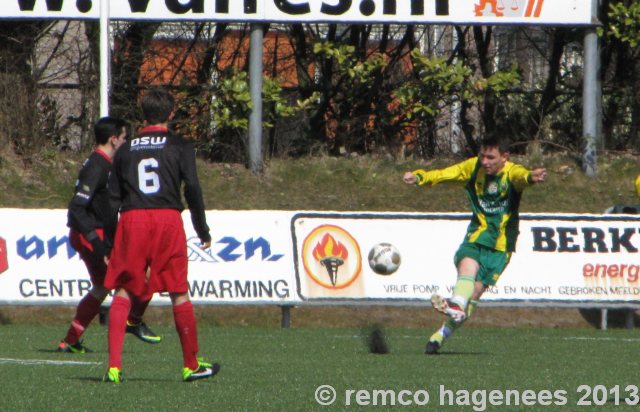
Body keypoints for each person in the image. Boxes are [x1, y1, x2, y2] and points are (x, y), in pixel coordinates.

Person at [103, 87, 219, 383]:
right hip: (167, 219)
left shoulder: (125, 149)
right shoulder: (180, 145)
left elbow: (112, 197)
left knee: (124, 289)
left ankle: (114, 367)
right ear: (171, 113)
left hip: (132, 218)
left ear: (143, 114)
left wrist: (110, 239)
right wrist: (201, 227)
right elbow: (192, 188)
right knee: (178, 291)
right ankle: (191, 365)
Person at [403, 135, 547, 355]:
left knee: (475, 293)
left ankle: (439, 336)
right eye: (482, 156)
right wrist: (420, 177)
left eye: (491, 157)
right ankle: (456, 304)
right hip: (477, 234)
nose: (485, 162)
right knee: (467, 266)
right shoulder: (472, 168)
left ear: (504, 157)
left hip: (501, 245)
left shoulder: (511, 172)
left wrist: (530, 176)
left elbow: (521, 177)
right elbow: (444, 174)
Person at [58, 116, 161, 354]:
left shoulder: (104, 164)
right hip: (90, 233)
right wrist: (98, 242)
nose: (126, 142)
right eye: (124, 138)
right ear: (114, 139)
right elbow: (76, 207)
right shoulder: (97, 166)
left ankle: (71, 340)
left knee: (103, 286)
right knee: (129, 280)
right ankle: (132, 321)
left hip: (95, 233)